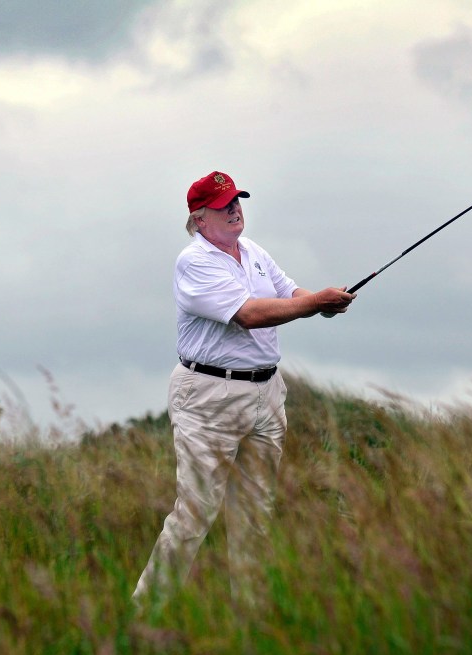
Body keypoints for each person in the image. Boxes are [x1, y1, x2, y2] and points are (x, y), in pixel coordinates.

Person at [132, 170, 354, 610]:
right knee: (195, 514)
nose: (234, 209)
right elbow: (249, 314)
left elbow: (289, 291)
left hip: (266, 393)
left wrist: (323, 303)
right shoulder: (193, 261)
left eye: (237, 200)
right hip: (208, 395)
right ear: (199, 219)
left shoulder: (252, 251)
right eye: (223, 205)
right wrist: (314, 305)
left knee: (255, 516)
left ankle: (250, 626)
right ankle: (142, 617)